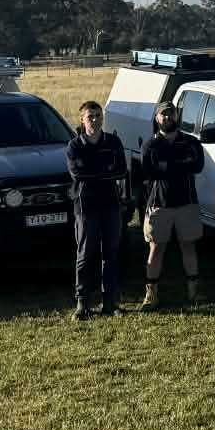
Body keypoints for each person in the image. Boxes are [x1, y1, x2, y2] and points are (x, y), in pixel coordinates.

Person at [138, 100, 206, 307]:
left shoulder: (191, 142)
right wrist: (180, 164)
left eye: (171, 114)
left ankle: (194, 291)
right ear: (157, 118)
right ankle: (151, 294)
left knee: (189, 246)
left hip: (187, 202)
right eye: (163, 115)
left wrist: (166, 166)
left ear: (177, 116)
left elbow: (198, 166)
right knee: (156, 248)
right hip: (160, 203)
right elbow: (148, 170)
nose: (168, 118)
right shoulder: (150, 144)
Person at [66, 99, 127, 319]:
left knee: (110, 252)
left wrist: (95, 170)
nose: (95, 120)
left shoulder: (113, 142)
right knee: (85, 254)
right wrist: (104, 169)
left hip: (110, 203)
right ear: (82, 120)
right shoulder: (75, 146)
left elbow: (120, 170)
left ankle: (109, 301)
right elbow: (79, 174)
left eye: (98, 116)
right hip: (86, 206)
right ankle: (82, 303)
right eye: (90, 116)